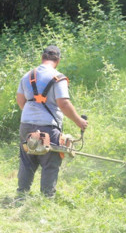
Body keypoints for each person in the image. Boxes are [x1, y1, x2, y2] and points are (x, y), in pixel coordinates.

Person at [15, 45, 87, 198]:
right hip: (48, 126)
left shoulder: (27, 75)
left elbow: (20, 100)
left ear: (42, 58)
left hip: (26, 123)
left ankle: (21, 194)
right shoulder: (58, 77)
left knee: (27, 160)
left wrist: (31, 118)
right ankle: (47, 198)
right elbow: (63, 103)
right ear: (58, 60)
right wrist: (79, 121)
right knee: (50, 163)